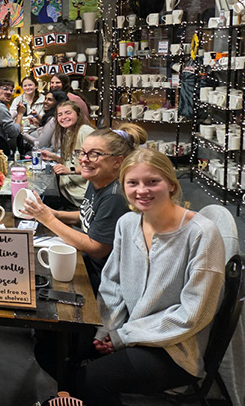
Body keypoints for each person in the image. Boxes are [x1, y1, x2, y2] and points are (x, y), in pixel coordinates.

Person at [69, 149, 226, 406]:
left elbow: (193, 313)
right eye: (133, 183)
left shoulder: (201, 234)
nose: (142, 190)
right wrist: (106, 330)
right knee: (54, 350)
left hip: (173, 349)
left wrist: (124, 336)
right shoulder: (128, 223)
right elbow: (112, 284)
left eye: (153, 181)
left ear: (171, 185)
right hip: (127, 331)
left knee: (89, 380)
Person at [21, 124, 146, 291]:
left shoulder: (115, 196)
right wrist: (55, 214)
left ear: (118, 161)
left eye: (95, 154)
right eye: (82, 153)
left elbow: (96, 248)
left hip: (102, 280)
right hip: (88, 263)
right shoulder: (97, 180)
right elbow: (86, 216)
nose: (84, 159)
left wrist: (48, 219)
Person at [42, 101, 95, 208]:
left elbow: (95, 165)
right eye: (60, 114)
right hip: (68, 187)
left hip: (81, 192)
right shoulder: (68, 132)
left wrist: (69, 171)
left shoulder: (85, 132)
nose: (64, 117)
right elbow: (71, 161)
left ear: (78, 114)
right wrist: (54, 157)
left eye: (68, 113)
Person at [0, 79, 19, 154]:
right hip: (0, 151)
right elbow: (13, 133)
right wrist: (20, 114)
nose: (9, 92)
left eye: (11, 90)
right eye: (5, 89)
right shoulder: (0, 107)